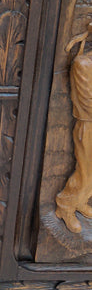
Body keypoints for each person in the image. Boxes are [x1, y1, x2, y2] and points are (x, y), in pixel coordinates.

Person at [56, 22, 92, 233]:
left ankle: (80, 201)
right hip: (88, 126)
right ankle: (65, 205)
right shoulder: (83, 64)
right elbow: (88, 101)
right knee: (86, 171)